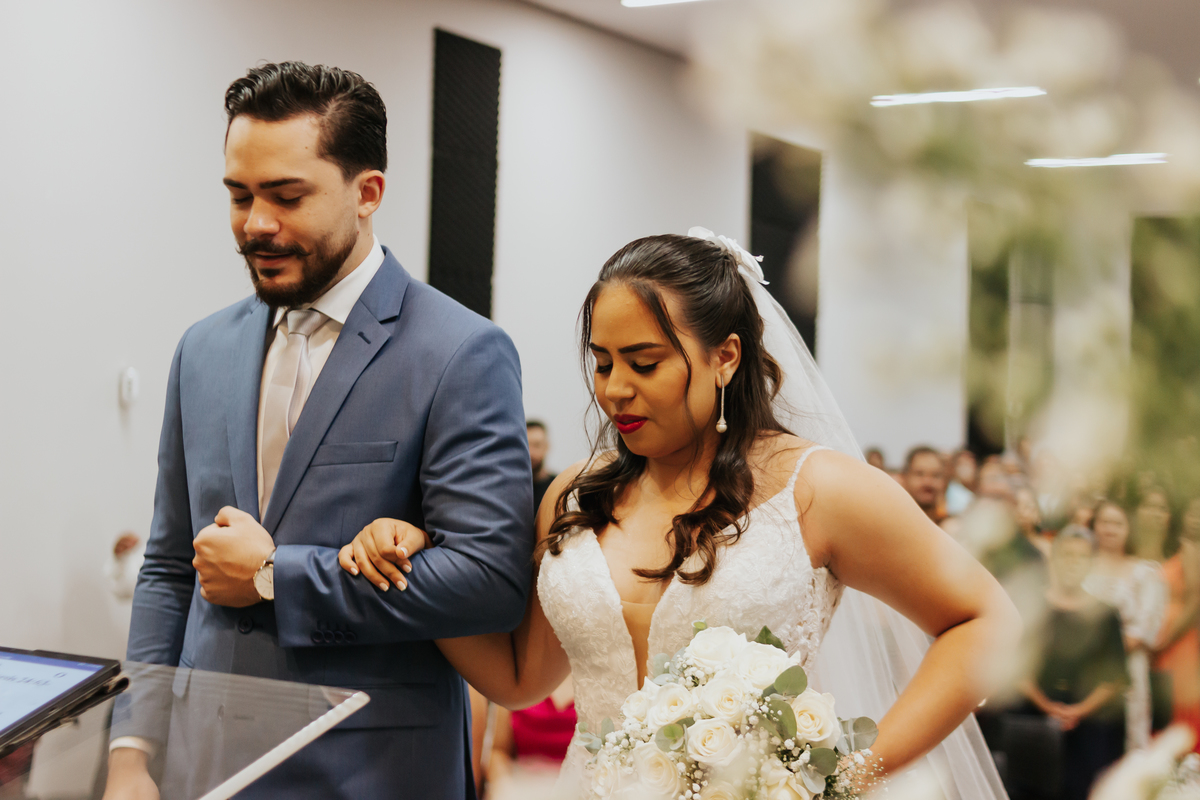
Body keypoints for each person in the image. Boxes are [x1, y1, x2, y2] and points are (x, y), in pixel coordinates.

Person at [342, 231, 1019, 798]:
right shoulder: (574, 496)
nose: (614, 389)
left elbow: (985, 620)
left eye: (643, 362)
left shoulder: (819, 488)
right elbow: (520, 679)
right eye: (602, 363)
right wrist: (410, 567)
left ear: (724, 356)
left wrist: (850, 773)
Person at [105, 62, 534, 800]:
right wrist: (131, 750)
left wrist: (277, 576)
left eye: (286, 196)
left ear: (368, 193)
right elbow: (170, 566)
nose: (255, 224)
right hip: (201, 768)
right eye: (239, 196)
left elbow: (488, 584)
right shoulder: (200, 350)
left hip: (369, 772)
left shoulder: (461, 352)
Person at [1017, 527, 1128, 800]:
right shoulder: (1031, 607)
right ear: (1053, 558)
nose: (1073, 563)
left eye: (1081, 557)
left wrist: (1079, 710)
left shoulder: (1105, 614)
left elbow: (1115, 677)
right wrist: (1046, 706)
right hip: (1033, 719)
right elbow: (1015, 667)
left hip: (1089, 725)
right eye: (1067, 555)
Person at [1084, 500, 1167, 750]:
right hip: (1083, 668)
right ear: (1093, 526)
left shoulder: (1145, 573)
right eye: (1104, 522)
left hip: (1128, 667)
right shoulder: (1080, 566)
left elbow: (1145, 627)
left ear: (1129, 529)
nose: (1110, 529)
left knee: (1129, 738)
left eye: (1118, 523)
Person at [1155, 496, 1200, 749]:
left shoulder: (1191, 549)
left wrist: (1163, 641)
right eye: (1193, 513)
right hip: (1172, 639)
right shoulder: (1180, 547)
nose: (1196, 520)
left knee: (1177, 708)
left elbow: (1194, 600)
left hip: (1179, 641)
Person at [903, 445, 948, 523]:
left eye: (936, 475)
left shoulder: (953, 528)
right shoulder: (889, 524)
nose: (928, 482)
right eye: (920, 474)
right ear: (905, 477)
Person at [527, 420, 557, 514]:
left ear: (546, 447)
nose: (531, 453)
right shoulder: (509, 488)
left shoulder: (558, 487)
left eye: (536, 445)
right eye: (527, 445)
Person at [945, 449, 978, 517]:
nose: (969, 469)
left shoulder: (973, 493)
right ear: (953, 468)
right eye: (964, 465)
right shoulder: (953, 493)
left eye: (971, 465)